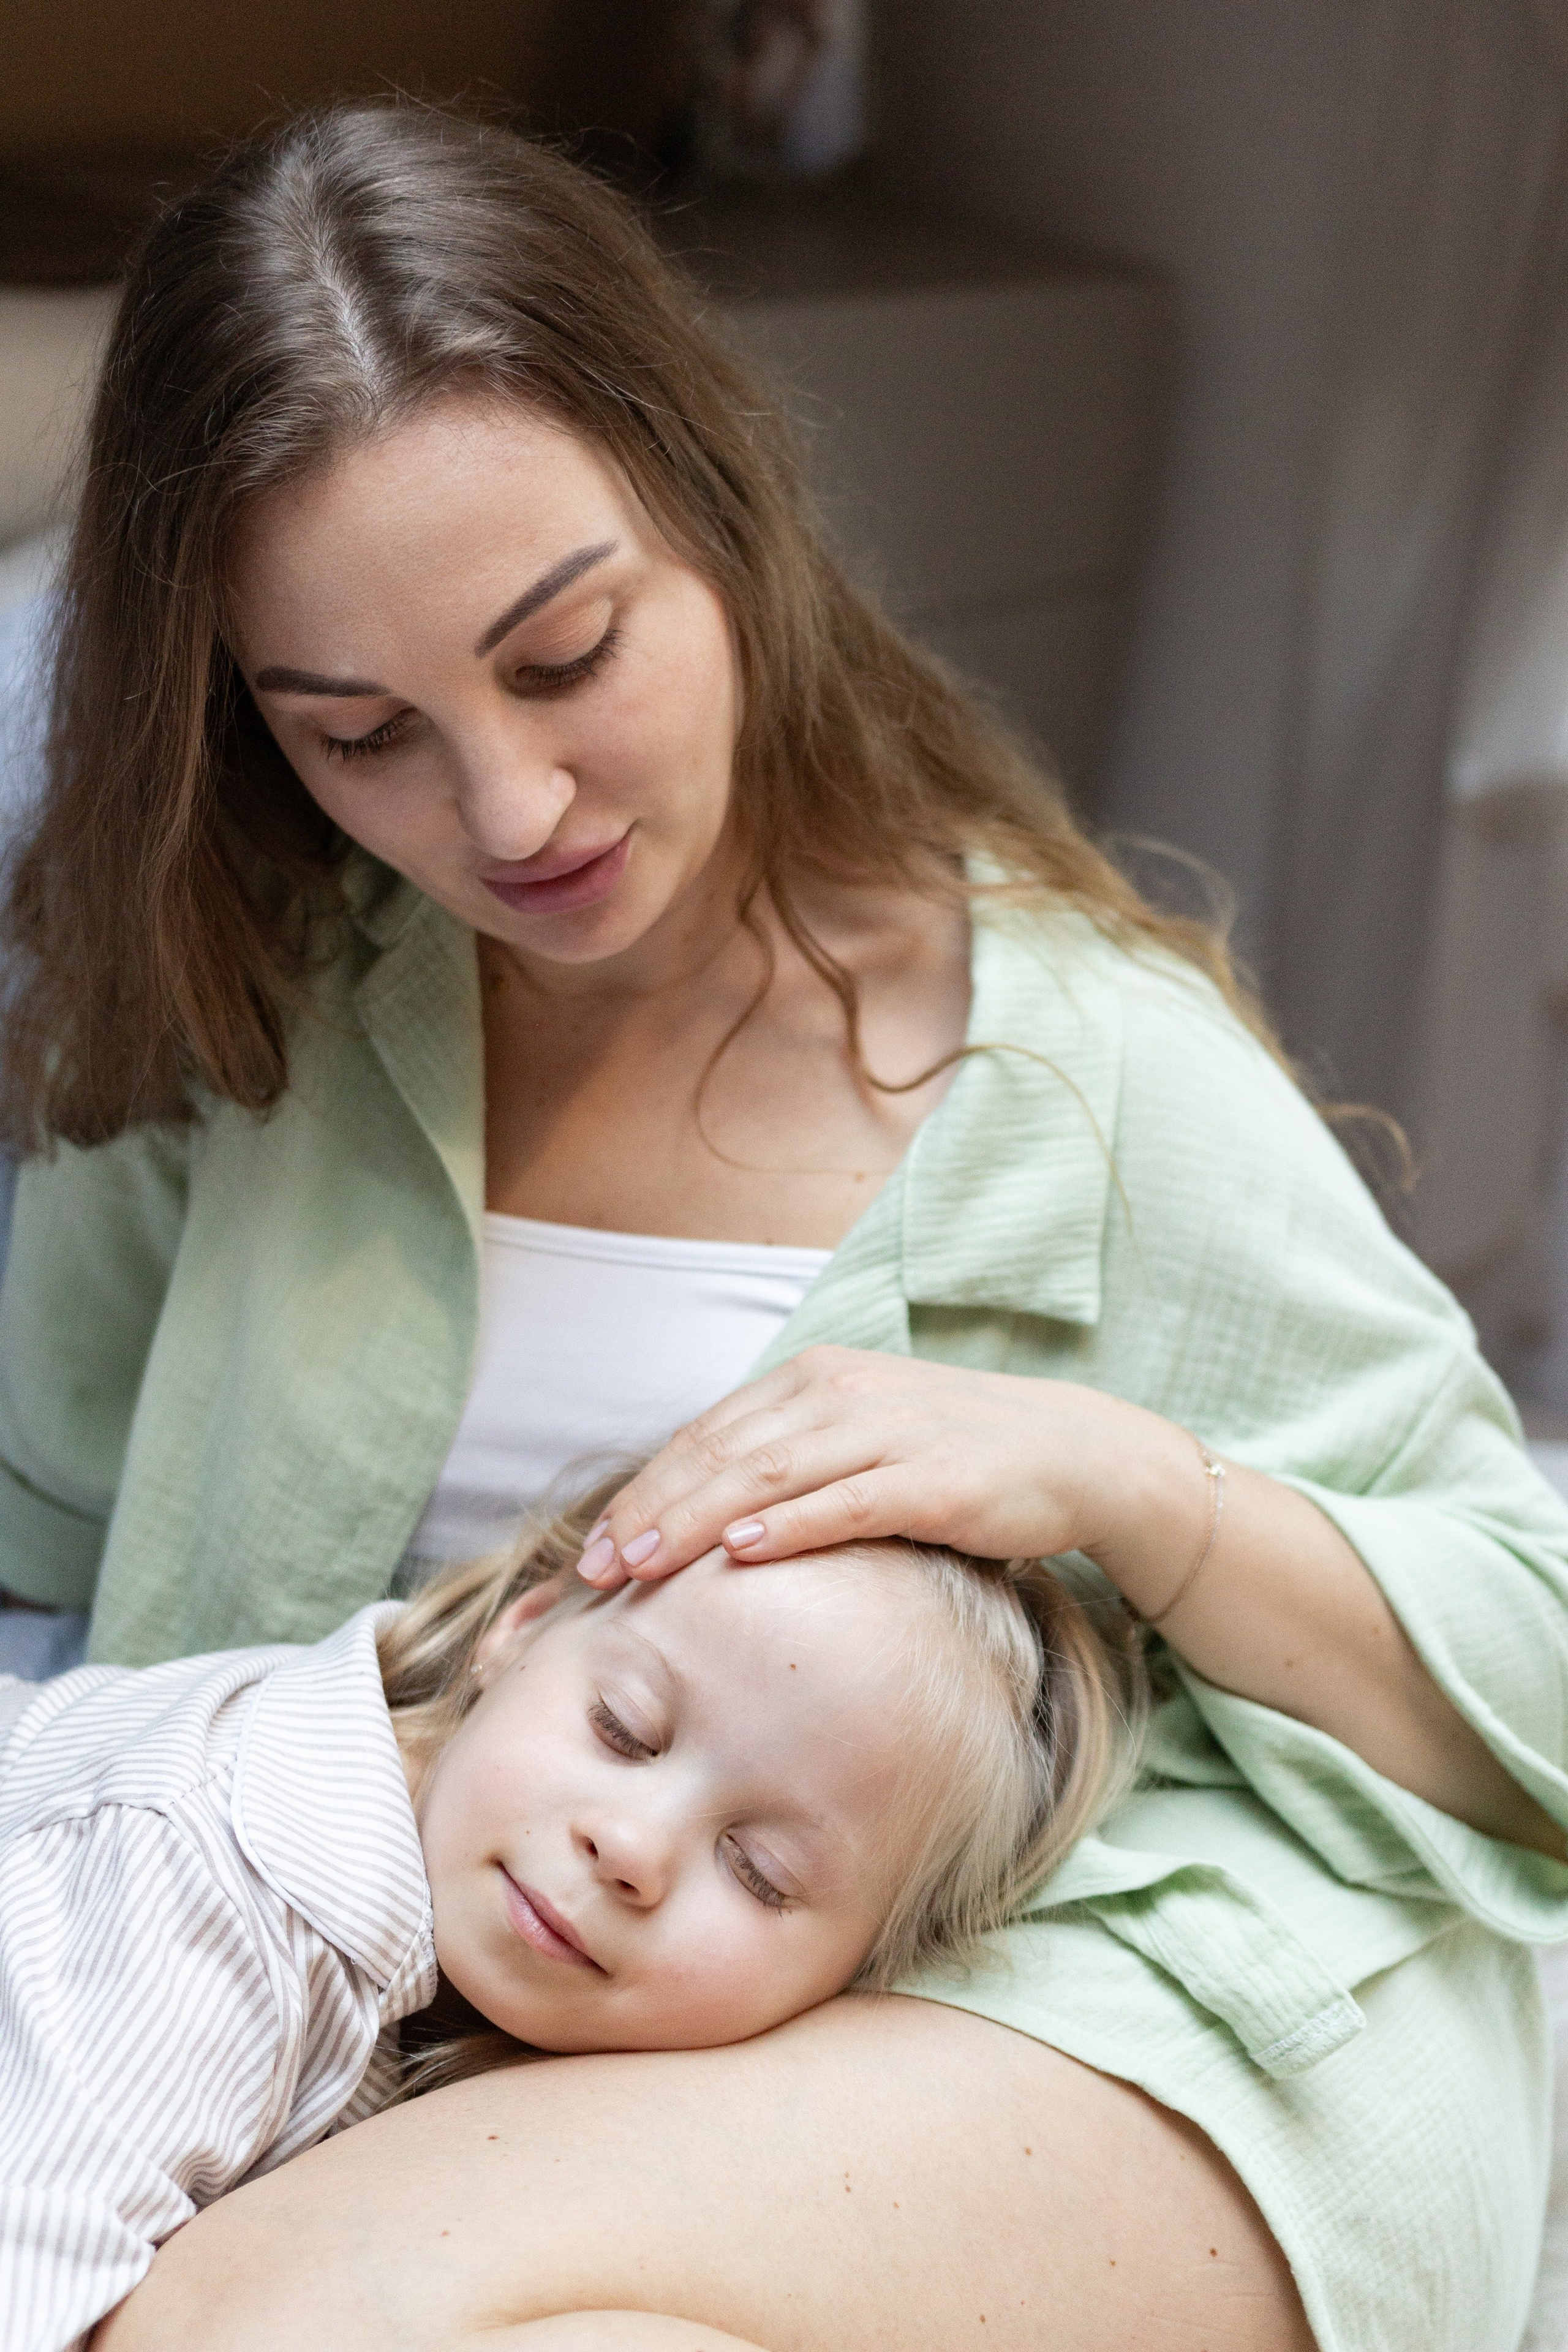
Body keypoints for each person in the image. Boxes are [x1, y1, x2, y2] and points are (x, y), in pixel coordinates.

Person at [1, 98, 1565, 2352]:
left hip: (1119, 1984)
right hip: (471, 2009)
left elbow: (1542, 1673)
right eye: (363, 733)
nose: (507, 809)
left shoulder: (1077, 1079)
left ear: (721, 522)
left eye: (562, 659)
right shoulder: (254, 1025)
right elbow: (57, 1577)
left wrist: (1125, 1486)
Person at [0, 1488, 1131, 2352]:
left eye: (760, 1873)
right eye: (625, 1730)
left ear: (850, 1980)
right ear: (523, 1628)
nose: (630, 1847)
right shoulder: (220, 1881)